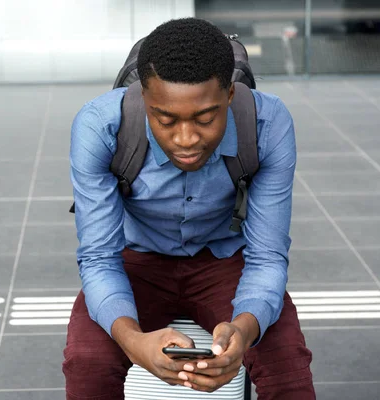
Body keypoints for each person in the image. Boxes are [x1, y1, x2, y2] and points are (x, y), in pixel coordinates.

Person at [63, 17, 315, 400]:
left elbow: (267, 256)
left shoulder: (267, 123)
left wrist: (244, 332)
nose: (186, 139)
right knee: (87, 363)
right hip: (137, 262)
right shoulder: (100, 125)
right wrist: (134, 343)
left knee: (288, 368)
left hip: (225, 260)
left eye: (205, 117)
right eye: (165, 120)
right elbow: (99, 257)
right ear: (144, 100)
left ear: (230, 95)